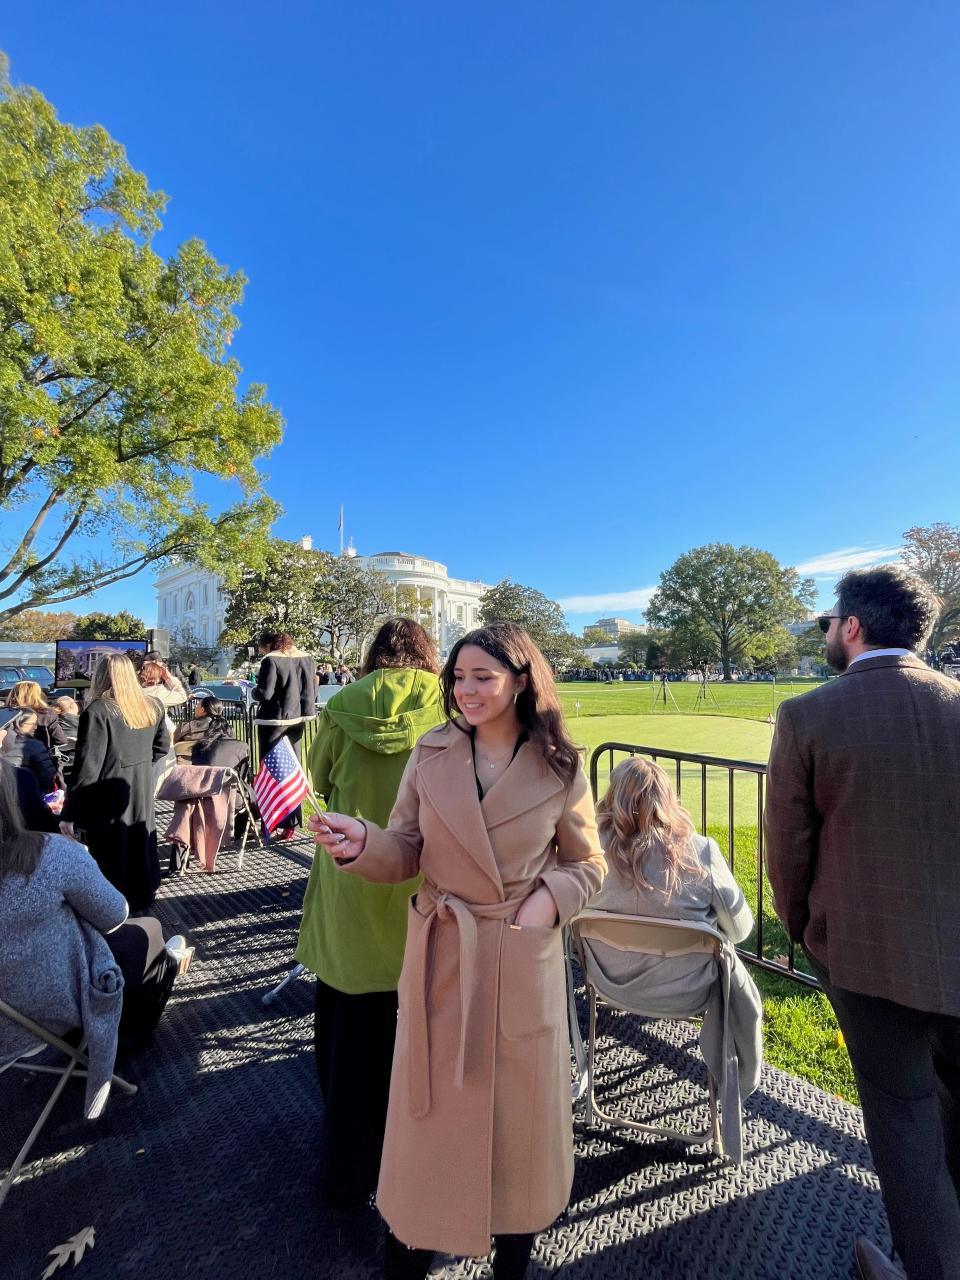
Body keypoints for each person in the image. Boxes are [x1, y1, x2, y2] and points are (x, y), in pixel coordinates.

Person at [311, 623, 606, 1280]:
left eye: (483, 677)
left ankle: (513, 1260)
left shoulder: (560, 766)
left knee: (516, 1135)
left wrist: (546, 901)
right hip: (443, 958)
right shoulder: (430, 752)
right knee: (432, 1127)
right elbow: (406, 849)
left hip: (519, 961)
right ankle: (410, 1251)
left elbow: (589, 864)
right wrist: (363, 841)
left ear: (521, 681)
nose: (465, 690)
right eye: (458, 677)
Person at [764, 565, 960, 1280]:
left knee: (904, 1125)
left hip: (865, 957)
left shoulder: (809, 714)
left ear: (852, 627)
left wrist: (801, 930)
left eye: (830, 622)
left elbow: (787, 851)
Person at [296, 618, 446, 1209]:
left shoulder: (337, 710)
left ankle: (348, 1169)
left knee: (350, 1044)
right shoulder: (452, 707)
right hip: (430, 883)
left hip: (353, 880)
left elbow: (314, 780)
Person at [584, 756, 762, 1159]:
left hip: (607, 983)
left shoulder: (588, 856)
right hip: (687, 993)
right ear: (669, 801)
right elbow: (740, 929)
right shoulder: (699, 853)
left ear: (611, 799)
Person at [0, 766, 182, 1098]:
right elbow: (114, 915)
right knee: (149, 929)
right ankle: (120, 1040)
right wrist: (80, 863)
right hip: (49, 1003)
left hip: (12, 1010)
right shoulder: (47, 853)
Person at [61, 654, 169, 912]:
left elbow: (88, 767)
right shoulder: (152, 705)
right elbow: (162, 747)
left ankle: (113, 906)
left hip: (107, 791)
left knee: (113, 849)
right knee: (139, 839)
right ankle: (142, 895)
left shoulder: (98, 710)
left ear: (100, 676)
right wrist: (139, 765)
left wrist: (70, 813)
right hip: (138, 786)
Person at [251, 631, 315, 841]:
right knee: (292, 771)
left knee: (272, 772)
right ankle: (291, 824)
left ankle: (271, 823)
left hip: (274, 721)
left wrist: (253, 691)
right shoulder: (306, 657)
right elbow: (312, 692)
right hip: (298, 721)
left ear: (268, 645)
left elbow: (265, 693)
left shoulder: (271, 660)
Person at [138, 659, 187, 789]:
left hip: (138, 734)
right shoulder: (159, 692)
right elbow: (182, 695)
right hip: (160, 733)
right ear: (157, 676)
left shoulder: (134, 692)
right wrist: (169, 678)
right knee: (160, 768)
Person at [0, 680, 67, 754]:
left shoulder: (4, 712)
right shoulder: (47, 713)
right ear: (37, 694)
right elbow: (60, 740)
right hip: (38, 757)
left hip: (6, 757)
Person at [0, 712, 58, 792]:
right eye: (31, 723)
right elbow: (48, 776)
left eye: (36, 723)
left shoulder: (3, 740)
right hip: (26, 793)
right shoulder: (34, 745)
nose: (35, 727)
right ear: (19, 723)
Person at [51, 695, 81, 767]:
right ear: (72, 706)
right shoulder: (84, 721)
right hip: (77, 762)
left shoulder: (53, 722)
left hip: (59, 763)